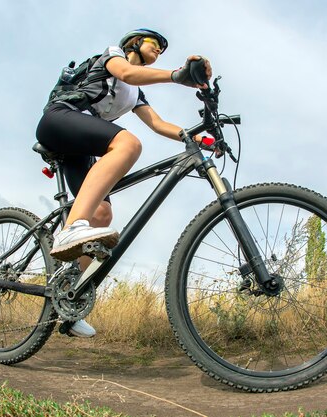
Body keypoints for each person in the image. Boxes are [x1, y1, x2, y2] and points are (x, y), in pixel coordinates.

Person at [35, 28, 212, 337]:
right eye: (154, 44)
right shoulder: (113, 57)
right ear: (134, 44)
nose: (158, 50)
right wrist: (177, 74)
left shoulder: (134, 94)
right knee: (128, 144)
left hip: (79, 147)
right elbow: (128, 73)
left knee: (102, 214)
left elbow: (158, 124)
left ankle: (70, 297)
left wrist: (200, 137)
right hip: (60, 119)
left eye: (161, 49)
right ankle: (71, 227)